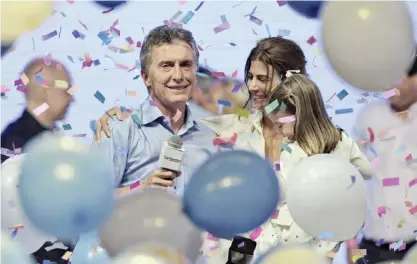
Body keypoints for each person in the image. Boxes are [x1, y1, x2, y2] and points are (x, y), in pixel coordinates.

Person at [94, 37, 371, 261]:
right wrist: (119, 113)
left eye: (263, 78)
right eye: (250, 77)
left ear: (290, 80)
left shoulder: (332, 142)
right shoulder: (235, 131)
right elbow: (176, 120)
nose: (253, 86)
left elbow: (351, 210)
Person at [92, 25, 216, 195]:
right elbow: (91, 199)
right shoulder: (119, 127)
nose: (178, 76)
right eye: (166, 66)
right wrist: (140, 188)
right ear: (146, 77)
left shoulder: (212, 131)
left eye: (186, 65)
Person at [1, 58, 74, 263]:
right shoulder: (15, 143)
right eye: (65, 91)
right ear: (45, 92)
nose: (71, 99)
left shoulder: (51, 139)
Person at [346, 54, 417, 264]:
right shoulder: (369, 116)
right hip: (371, 247)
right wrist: (351, 245)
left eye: (398, 78)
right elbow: (351, 180)